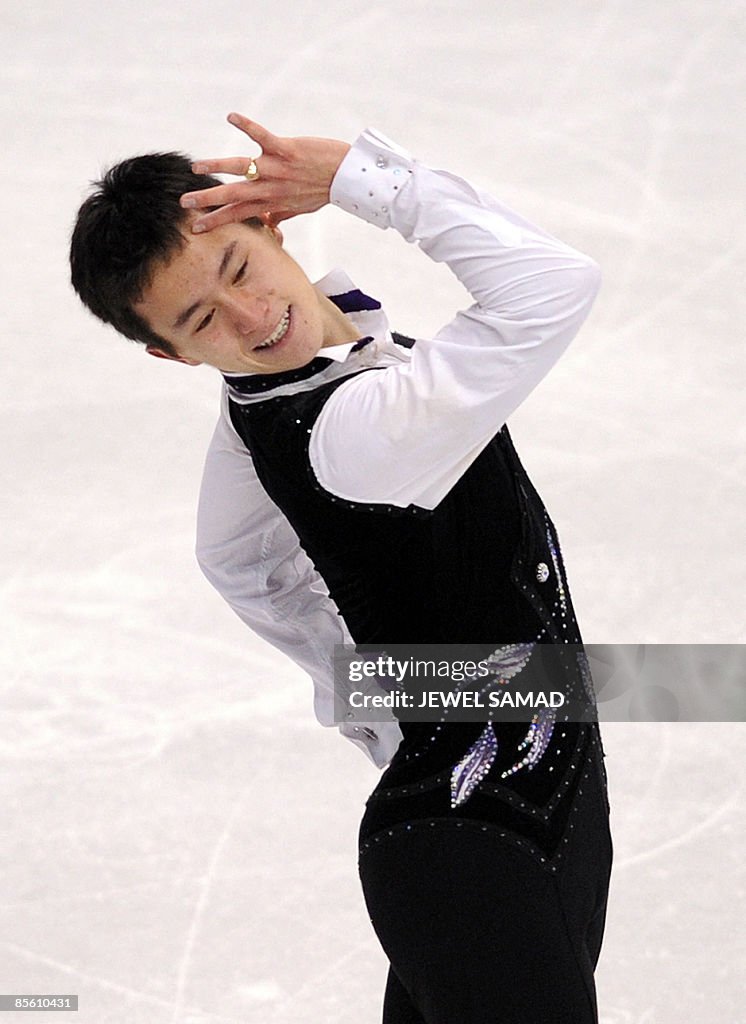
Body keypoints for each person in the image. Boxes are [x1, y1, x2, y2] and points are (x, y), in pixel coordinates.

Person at [70, 113, 613, 1024]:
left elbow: (235, 557)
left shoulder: (266, 413)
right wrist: (366, 181)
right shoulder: (356, 433)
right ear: (171, 353)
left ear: (268, 226)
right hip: (484, 852)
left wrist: (390, 696)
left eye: (238, 268)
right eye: (201, 319)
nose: (250, 318)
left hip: (488, 836)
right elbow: (553, 285)